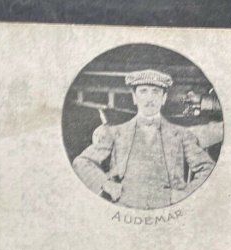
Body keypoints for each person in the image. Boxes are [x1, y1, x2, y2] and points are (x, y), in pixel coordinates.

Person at [72, 69, 215, 209]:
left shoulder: (182, 135)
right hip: (124, 205)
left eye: (156, 91)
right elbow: (82, 162)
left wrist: (186, 194)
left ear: (163, 98)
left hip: (167, 206)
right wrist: (106, 184)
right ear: (134, 97)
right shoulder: (115, 132)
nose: (150, 98)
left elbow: (208, 168)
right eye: (143, 91)